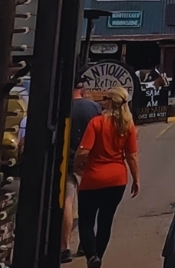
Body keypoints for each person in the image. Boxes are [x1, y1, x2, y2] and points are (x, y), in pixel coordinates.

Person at [75, 87, 140, 267]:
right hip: (117, 178)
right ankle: (99, 256)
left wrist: (76, 165)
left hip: (94, 178)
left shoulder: (96, 123)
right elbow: (132, 156)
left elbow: (83, 151)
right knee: (106, 220)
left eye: (105, 98)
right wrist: (136, 179)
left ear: (110, 101)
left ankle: (91, 256)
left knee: (86, 220)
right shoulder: (128, 125)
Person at [61, 82, 102, 263]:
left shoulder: (63, 108)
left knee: (67, 203)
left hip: (66, 161)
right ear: (82, 89)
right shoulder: (93, 107)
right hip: (88, 160)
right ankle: (85, 244)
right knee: (89, 205)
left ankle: (65, 247)